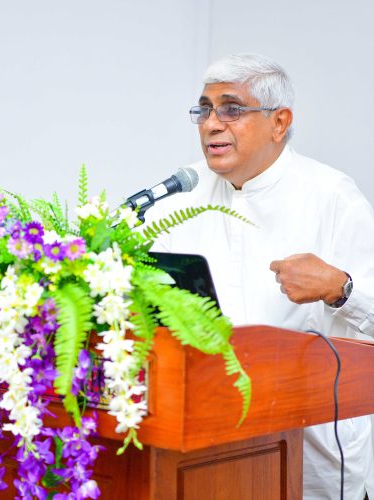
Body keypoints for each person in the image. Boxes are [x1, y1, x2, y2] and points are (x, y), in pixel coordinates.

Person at [145, 53, 374, 499]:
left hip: (312, 464)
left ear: (279, 122)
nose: (212, 125)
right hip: (209, 458)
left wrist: (339, 288)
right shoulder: (181, 197)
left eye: (231, 109)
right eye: (204, 110)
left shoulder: (332, 196)